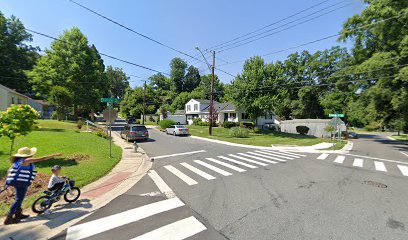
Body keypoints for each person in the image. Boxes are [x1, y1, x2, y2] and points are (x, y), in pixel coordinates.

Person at [4, 147, 62, 225]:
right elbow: (42, 158)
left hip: (18, 182)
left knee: (19, 198)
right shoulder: (27, 160)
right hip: (21, 183)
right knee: (19, 199)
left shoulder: (18, 161)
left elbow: (10, 171)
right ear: (27, 155)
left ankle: (18, 214)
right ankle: (9, 218)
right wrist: (55, 155)